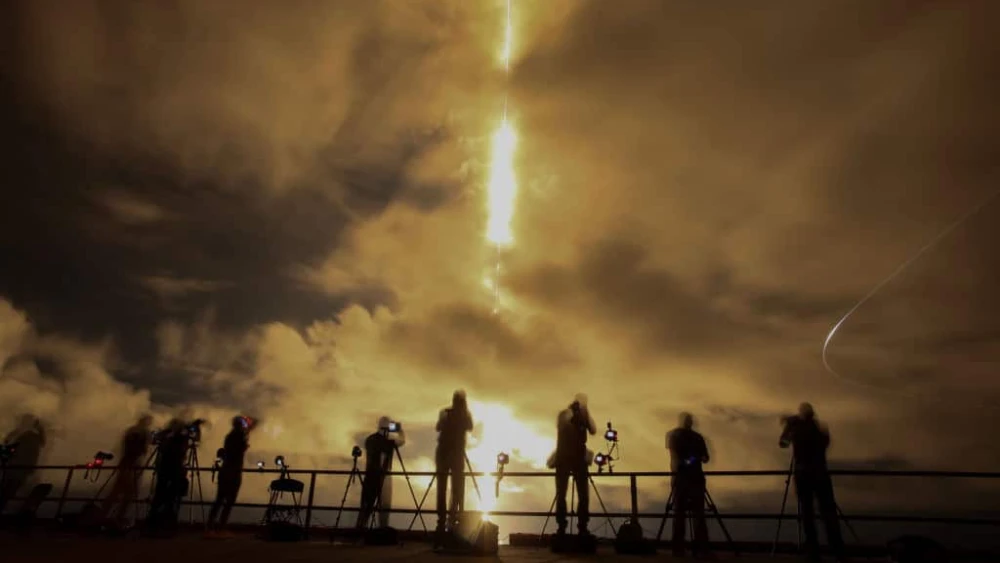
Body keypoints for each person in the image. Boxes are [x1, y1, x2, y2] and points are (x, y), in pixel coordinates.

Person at [780, 402, 845, 562]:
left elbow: (783, 443)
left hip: (803, 475)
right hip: (821, 474)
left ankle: (813, 552)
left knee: (807, 515)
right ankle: (838, 551)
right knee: (828, 514)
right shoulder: (819, 430)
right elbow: (824, 444)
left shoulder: (796, 429)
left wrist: (789, 426)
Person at [666, 412, 711, 557]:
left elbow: (676, 458)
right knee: (692, 514)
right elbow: (703, 458)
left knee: (683, 514)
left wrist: (690, 460)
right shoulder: (694, 438)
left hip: (686, 479)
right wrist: (694, 459)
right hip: (689, 478)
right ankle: (698, 548)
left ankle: (681, 548)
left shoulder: (674, 435)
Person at [552, 393, 596, 537]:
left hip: (578, 459)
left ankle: (582, 526)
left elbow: (593, 430)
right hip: (564, 459)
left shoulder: (583, 417)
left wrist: (586, 413)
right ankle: (561, 526)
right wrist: (573, 413)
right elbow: (563, 424)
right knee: (562, 494)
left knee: (583, 495)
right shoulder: (564, 415)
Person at [98, 414, 153, 527]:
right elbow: (143, 450)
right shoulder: (144, 433)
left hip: (124, 463)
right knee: (129, 494)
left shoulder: (131, 431)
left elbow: (124, 446)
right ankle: (118, 517)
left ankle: (102, 515)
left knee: (116, 491)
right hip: (134, 465)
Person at [356, 416, 407, 530]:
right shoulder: (388, 442)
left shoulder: (370, 439)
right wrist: (400, 431)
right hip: (383, 478)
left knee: (366, 507)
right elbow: (402, 441)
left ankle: (359, 531)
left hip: (370, 476)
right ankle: (382, 531)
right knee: (384, 508)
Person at [435, 390, 473, 534]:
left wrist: (460, 416)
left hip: (453, 452)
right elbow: (439, 427)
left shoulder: (463, 415)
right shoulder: (445, 413)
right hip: (447, 452)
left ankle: (450, 520)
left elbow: (469, 426)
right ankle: (443, 521)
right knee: (445, 487)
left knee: (454, 488)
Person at [206, 416, 251, 535]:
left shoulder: (229, 437)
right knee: (229, 501)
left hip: (225, 471)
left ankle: (210, 526)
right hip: (234, 471)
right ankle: (221, 527)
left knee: (219, 499)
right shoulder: (240, 437)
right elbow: (241, 450)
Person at [146, 418, 188, 533]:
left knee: (160, 495)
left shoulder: (167, 437)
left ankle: (154, 522)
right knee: (170, 497)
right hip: (173, 471)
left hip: (165, 470)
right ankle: (166, 523)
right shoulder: (178, 439)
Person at [0, 414, 47, 514]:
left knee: (7, 490)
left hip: (16, 467)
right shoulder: (28, 436)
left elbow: (7, 444)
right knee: (9, 490)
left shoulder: (25, 435)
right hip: (19, 468)